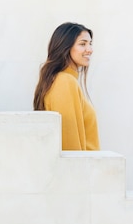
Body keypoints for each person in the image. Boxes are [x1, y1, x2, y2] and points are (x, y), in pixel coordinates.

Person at [33, 22, 100, 150]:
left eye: (90, 44)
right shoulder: (65, 82)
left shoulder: (63, 80)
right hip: (80, 168)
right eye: (82, 44)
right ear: (65, 47)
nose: (90, 50)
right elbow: (70, 144)